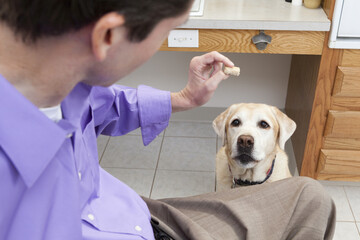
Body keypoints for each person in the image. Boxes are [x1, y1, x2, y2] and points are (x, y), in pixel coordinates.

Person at [0, 0, 336, 239]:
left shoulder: (68, 84)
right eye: (166, 34)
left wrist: (185, 98)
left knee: (311, 196)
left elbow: (109, 104)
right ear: (108, 36)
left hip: (140, 215)